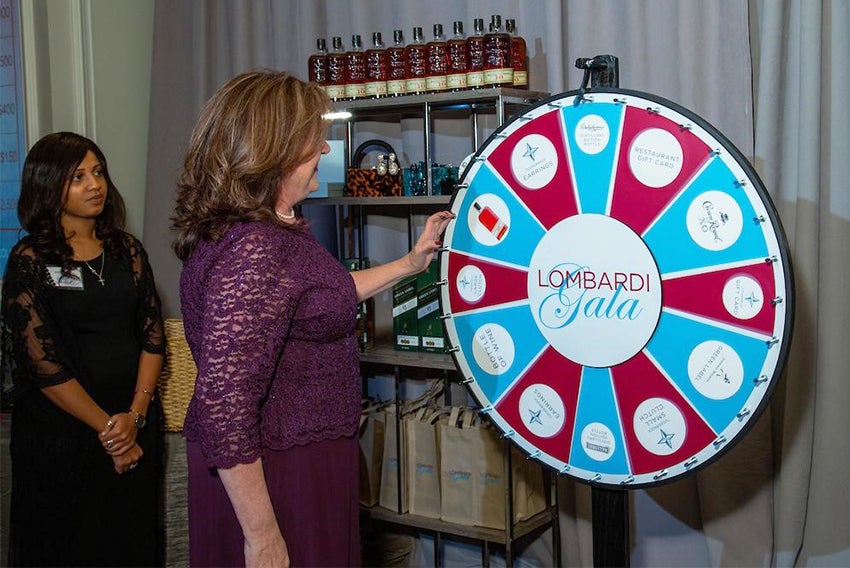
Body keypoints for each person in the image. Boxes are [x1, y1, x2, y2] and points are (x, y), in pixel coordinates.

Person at [171, 70, 454, 567]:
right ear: (271, 151)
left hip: (297, 458)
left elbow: (321, 296)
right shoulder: (254, 249)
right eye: (311, 139)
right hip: (275, 474)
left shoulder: (270, 230)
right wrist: (261, 534)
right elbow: (224, 405)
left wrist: (411, 263)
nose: (324, 149)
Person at [0, 132, 166, 565]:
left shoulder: (127, 250)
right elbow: (42, 365)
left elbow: (151, 337)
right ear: (48, 185)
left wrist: (136, 415)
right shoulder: (29, 260)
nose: (95, 184)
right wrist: (111, 433)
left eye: (98, 172)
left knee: (130, 544)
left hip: (136, 422)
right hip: (64, 435)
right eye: (77, 177)